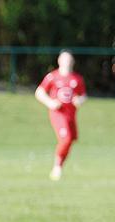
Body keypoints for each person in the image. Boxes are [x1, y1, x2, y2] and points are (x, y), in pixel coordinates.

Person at [35, 51, 87, 181]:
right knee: (66, 139)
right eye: (64, 59)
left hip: (71, 115)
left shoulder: (77, 79)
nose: (67, 62)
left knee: (71, 140)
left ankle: (59, 165)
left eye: (69, 59)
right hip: (58, 114)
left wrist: (80, 100)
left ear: (73, 62)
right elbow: (39, 92)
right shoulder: (52, 77)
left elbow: (83, 95)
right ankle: (57, 167)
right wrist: (50, 103)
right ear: (59, 61)